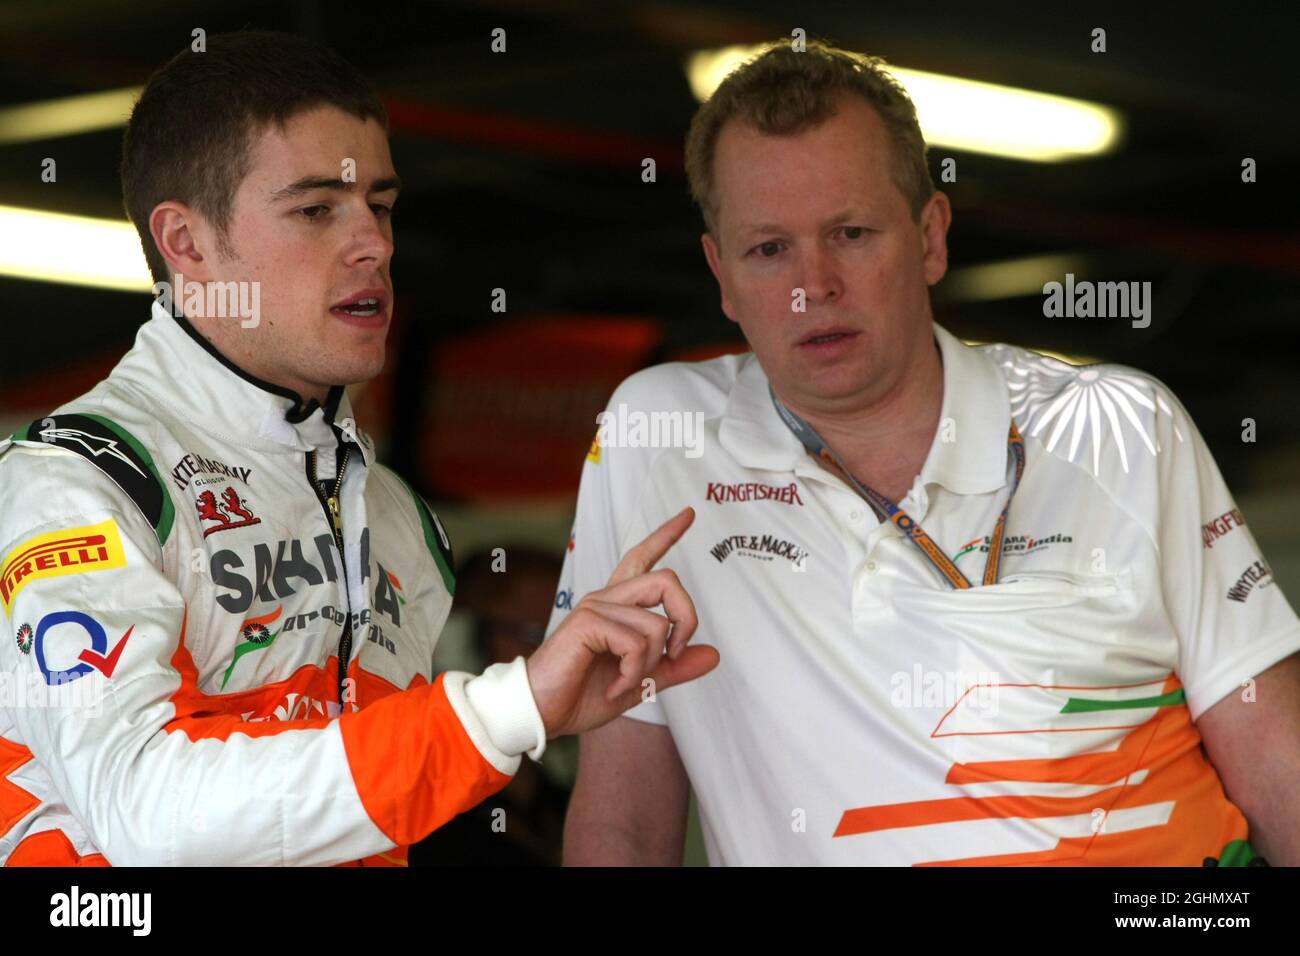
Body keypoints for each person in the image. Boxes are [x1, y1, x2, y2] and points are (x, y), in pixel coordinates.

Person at [553, 40, 1300, 866]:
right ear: (720, 273)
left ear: (931, 236)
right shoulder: (655, 439)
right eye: (770, 249)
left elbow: (1278, 769)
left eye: (851, 232)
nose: (815, 284)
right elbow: (622, 809)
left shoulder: (1120, 424)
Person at [0, 30, 715, 866]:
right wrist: (507, 709)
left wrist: (532, 716)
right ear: (187, 245)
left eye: (379, 204)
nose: (373, 243)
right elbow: (143, 814)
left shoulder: (398, 517)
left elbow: (356, 809)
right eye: (315, 210)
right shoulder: (78, 485)